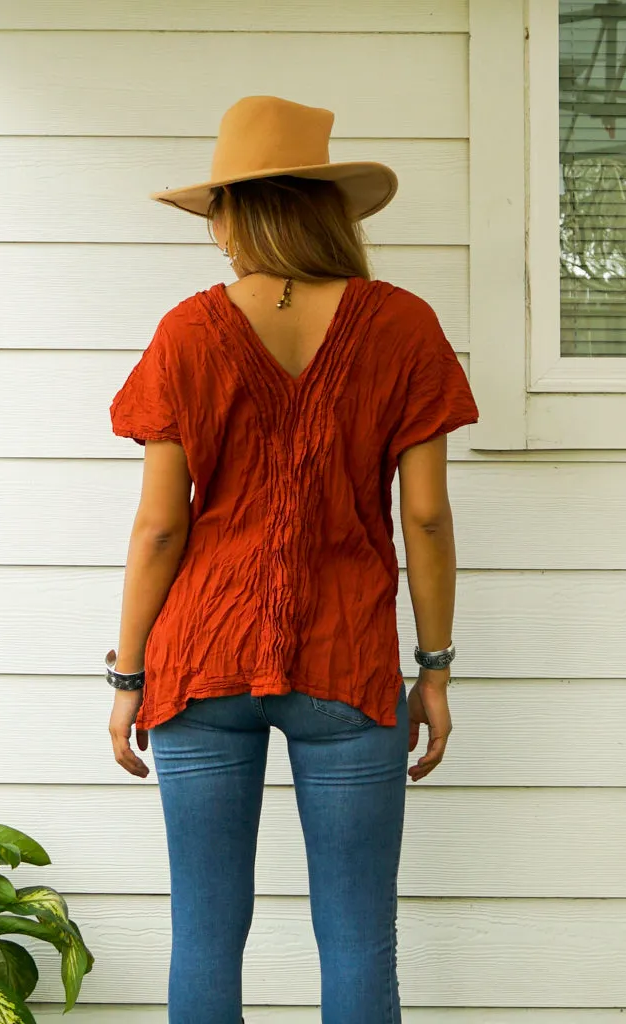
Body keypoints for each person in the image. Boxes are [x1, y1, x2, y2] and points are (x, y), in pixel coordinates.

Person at [104, 95, 479, 1024]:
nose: (214, 236)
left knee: (203, 935)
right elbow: (424, 519)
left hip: (197, 663)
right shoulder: (401, 326)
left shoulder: (189, 332)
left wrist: (126, 675)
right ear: (327, 207)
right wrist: (432, 669)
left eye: (216, 213)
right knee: (356, 937)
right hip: (345, 665)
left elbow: (159, 528)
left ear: (242, 211)